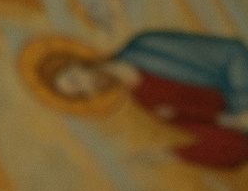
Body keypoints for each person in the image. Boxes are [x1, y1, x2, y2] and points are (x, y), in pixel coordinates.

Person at [29, 30, 248, 169]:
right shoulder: (146, 103)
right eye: (81, 93)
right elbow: (229, 142)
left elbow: (232, 53)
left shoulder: (148, 46)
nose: (88, 88)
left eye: (75, 79)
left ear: (78, 63)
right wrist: (171, 155)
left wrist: (242, 104)